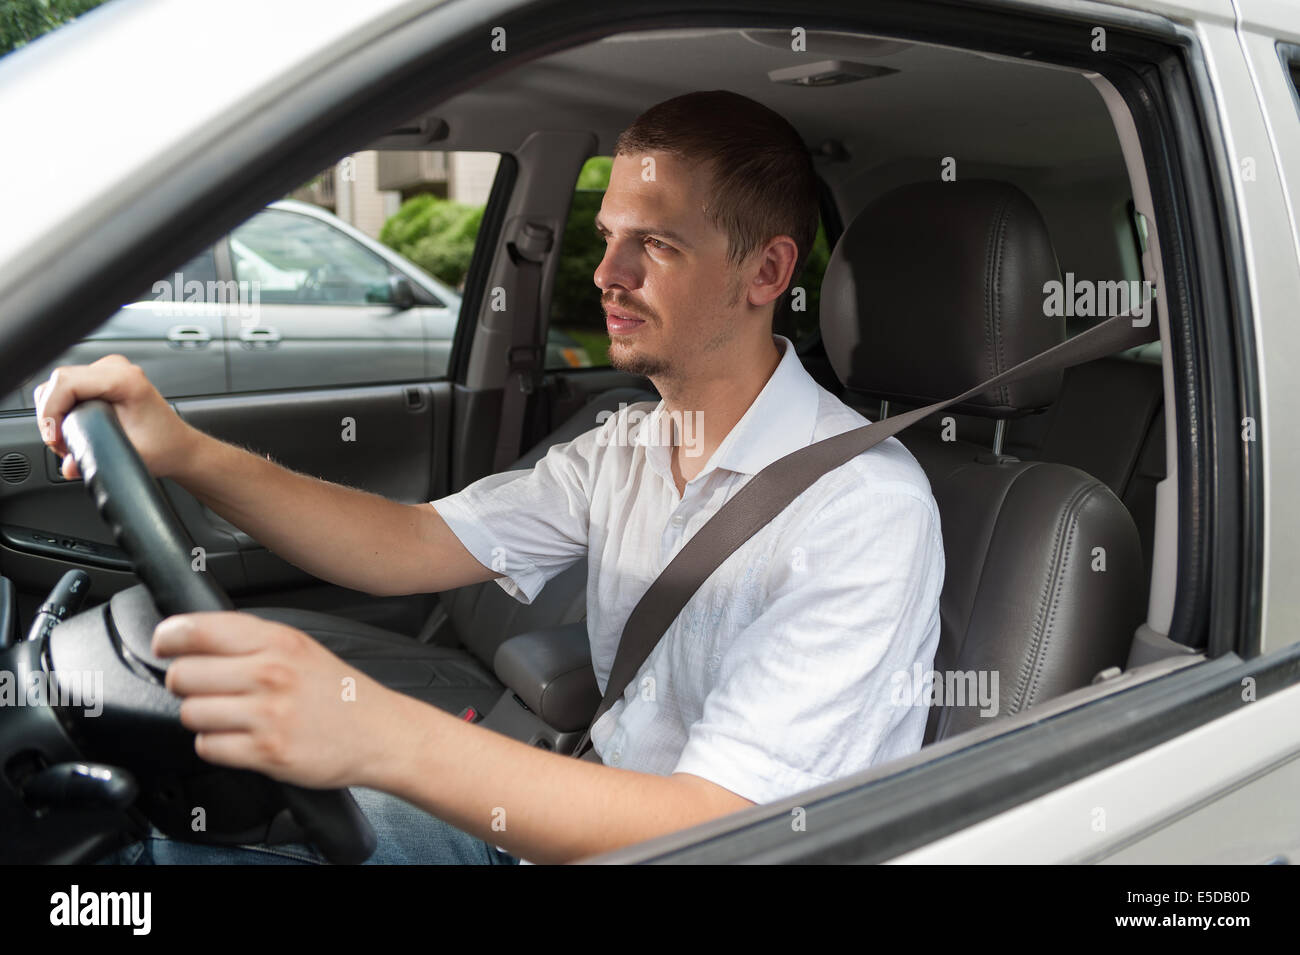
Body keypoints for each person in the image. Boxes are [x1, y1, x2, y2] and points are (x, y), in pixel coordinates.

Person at [38, 90, 944, 865]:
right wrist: (186, 450)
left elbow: (717, 830)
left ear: (768, 270)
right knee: (131, 850)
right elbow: (410, 543)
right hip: (561, 830)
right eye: (608, 237)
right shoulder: (626, 444)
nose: (608, 275)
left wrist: (375, 731)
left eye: (656, 246)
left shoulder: (863, 510)